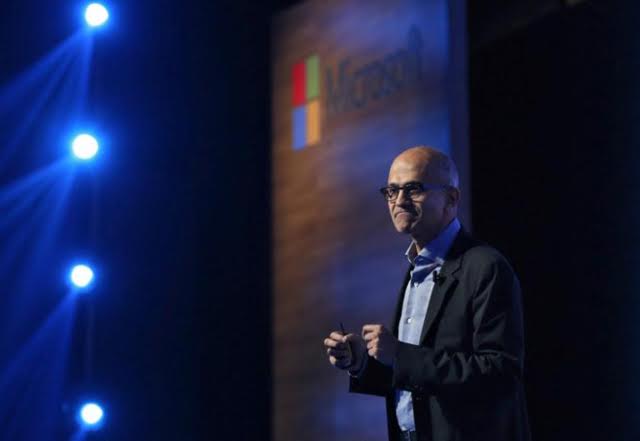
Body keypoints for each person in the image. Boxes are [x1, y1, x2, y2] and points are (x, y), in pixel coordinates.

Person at [323, 146, 531, 441]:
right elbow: (416, 381)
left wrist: (398, 354)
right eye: (391, 191)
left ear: (451, 199)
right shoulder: (415, 269)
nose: (399, 201)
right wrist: (363, 364)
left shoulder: (485, 267)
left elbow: (500, 374)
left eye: (413, 189)